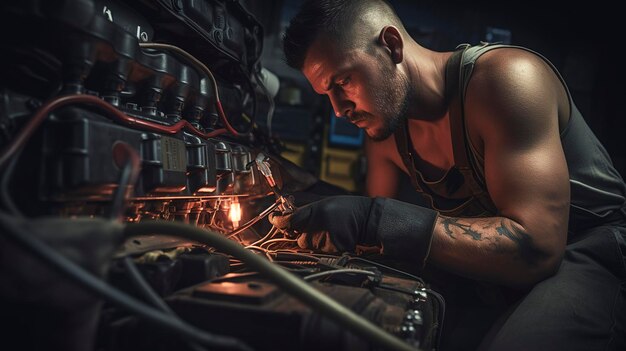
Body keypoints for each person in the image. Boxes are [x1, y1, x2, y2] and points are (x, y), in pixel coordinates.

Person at [270, 0, 626, 350]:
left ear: (391, 45)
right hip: (495, 270)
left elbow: (538, 249)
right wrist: (308, 199)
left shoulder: (506, 80)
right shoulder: (385, 131)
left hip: (588, 250)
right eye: (327, 93)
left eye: (343, 81)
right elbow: (376, 245)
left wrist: (373, 219)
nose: (338, 109)